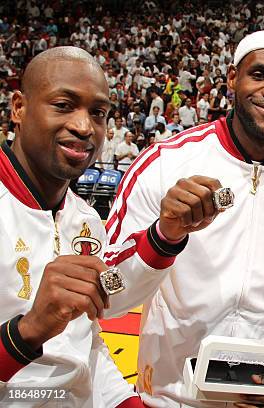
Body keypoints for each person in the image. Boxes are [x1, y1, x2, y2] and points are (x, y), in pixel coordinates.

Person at [104, 30, 264, 407]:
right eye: (259, 74)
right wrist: (163, 236)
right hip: (170, 397)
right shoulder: (165, 163)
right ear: (232, 80)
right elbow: (106, 290)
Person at [0, 46, 185, 407]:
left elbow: (84, 345)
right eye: (63, 105)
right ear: (19, 108)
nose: (84, 127)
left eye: (97, 113)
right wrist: (27, 333)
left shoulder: (85, 219)